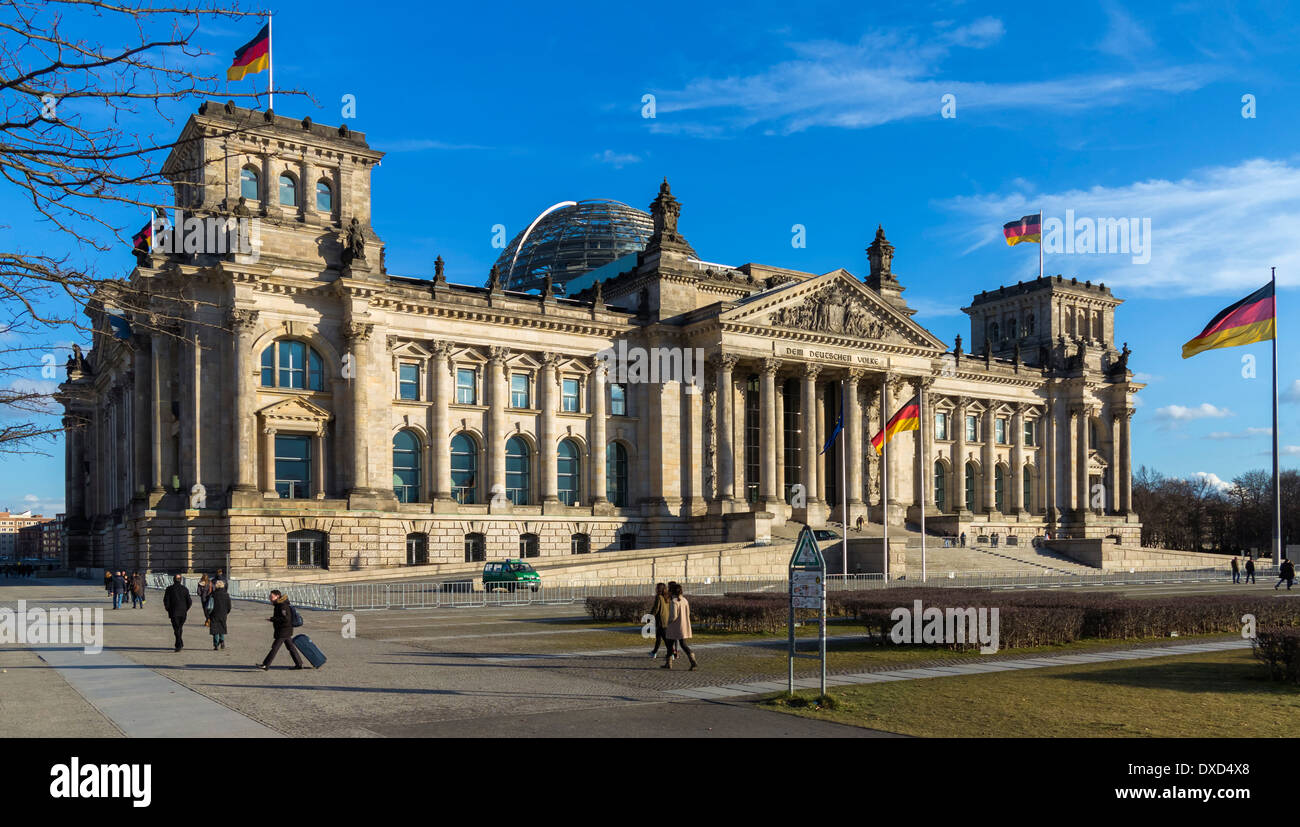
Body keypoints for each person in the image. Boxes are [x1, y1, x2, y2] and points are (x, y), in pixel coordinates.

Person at [258, 590, 305, 670]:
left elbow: (285, 619)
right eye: (270, 597)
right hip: (285, 630)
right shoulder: (279, 604)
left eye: (271, 597)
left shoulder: (282, 605)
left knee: (275, 648)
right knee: (291, 647)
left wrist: (273, 619)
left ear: (277, 596)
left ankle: (266, 664)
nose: (270, 598)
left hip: (284, 630)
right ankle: (299, 663)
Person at [662, 581, 697, 671]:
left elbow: (673, 616)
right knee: (683, 644)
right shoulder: (685, 600)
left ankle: (668, 663)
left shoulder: (674, 601)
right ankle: (692, 659)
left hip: (674, 626)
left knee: (669, 645)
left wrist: (668, 622)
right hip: (683, 625)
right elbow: (688, 613)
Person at [162, 574, 192, 651]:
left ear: (173, 580)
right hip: (183, 612)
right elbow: (189, 602)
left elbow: (166, 600)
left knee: (176, 628)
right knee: (179, 628)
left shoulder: (169, 589)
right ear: (180, 580)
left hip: (173, 612)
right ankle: (179, 643)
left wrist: (168, 609)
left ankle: (178, 644)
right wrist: (186, 609)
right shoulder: (185, 589)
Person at [208, 580, 232, 650]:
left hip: (214, 613)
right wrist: (226, 612)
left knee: (215, 629)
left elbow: (210, 605)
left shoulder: (213, 595)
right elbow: (229, 606)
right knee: (222, 627)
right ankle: (222, 641)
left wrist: (208, 614)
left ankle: (216, 644)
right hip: (223, 613)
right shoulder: (226, 595)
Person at [648, 582, 669, 659]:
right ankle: (654, 652)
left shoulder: (659, 597)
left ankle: (671, 653)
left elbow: (656, 608)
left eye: (656, 588)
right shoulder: (667, 596)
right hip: (666, 619)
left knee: (664, 638)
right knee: (659, 637)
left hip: (660, 620)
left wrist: (650, 616)